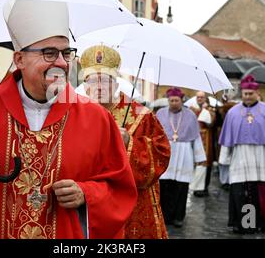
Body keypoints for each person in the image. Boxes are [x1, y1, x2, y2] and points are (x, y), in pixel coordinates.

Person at [0, 0, 137, 239]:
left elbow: (120, 190)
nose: (62, 63)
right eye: (49, 53)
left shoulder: (97, 119)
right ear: (19, 59)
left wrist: (86, 194)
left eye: (66, 53)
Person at [80, 45, 170, 239]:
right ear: (85, 86)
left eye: (104, 80)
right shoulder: (76, 114)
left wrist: (129, 141)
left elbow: (161, 156)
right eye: (92, 81)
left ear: (116, 84)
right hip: (90, 202)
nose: (99, 87)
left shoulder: (141, 115)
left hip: (132, 205)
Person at [218, 75, 265, 233]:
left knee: (263, 194)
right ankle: (244, 224)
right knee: (241, 194)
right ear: (241, 93)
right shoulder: (233, 113)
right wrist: (225, 159)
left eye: (251, 93)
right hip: (240, 159)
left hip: (263, 159)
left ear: (257, 93)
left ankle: (263, 222)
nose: (248, 96)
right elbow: (227, 140)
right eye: (245, 93)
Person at [156, 88, 206, 227]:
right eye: (171, 100)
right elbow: (155, 136)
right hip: (167, 154)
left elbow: (196, 138)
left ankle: (179, 217)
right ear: (168, 100)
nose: (174, 103)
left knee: (181, 188)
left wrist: (199, 157)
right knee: (165, 188)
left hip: (185, 154)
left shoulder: (190, 115)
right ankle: (165, 217)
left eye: (176, 100)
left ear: (181, 100)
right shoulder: (160, 113)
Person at [189, 91, 216, 197]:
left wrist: (203, 111)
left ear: (205, 98)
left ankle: (204, 187)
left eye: (202, 97)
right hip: (194, 137)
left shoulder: (210, 109)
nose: (199, 99)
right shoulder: (191, 109)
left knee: (206, 163)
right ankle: (195, 187)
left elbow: (212, 123)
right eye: (198, 97)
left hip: (206, 138)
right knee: (194, 163)